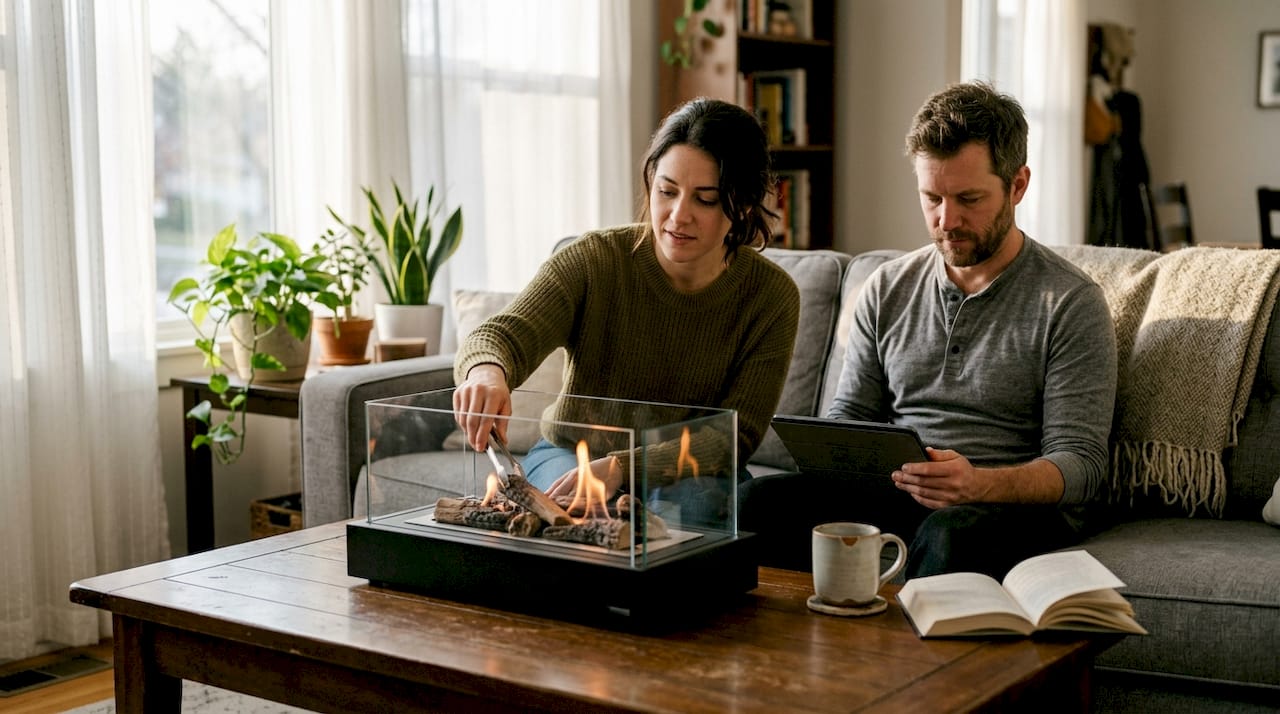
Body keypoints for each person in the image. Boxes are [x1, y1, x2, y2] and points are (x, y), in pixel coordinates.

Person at [742, 81, 1117, 579]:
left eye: (969, 198)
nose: (947, 220)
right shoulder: (886, 289)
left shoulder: (1070, 302)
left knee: (948, 537)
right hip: (895, 494)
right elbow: (849, 419)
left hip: (1004, 509)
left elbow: (1083, 465)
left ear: (1018, 185)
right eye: (931, 198)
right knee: (755, 503)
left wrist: (977, 484)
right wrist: (836, 454)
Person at [452, 97, 801, 525]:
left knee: (691, 516)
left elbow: (734, 436)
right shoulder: (595, 259)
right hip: (571, 452)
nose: (678, 215)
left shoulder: (770, 296)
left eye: (705, 200)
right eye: (667, 191)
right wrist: (486, 371)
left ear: (743, 204)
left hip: (691, 471)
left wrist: (622, 467)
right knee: (579, 521)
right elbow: (500, 336)